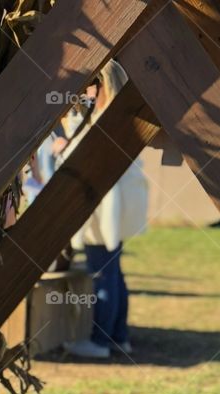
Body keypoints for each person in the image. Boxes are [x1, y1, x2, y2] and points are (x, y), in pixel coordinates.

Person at [64, 61, 148, 359]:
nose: (83, 92)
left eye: (89, 85)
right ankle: (118, 337)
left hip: (104, 212)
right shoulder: (123, 121)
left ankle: (100, 342)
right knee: (113, 273)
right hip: (117, 210)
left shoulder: (102, 123)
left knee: (102, 275)